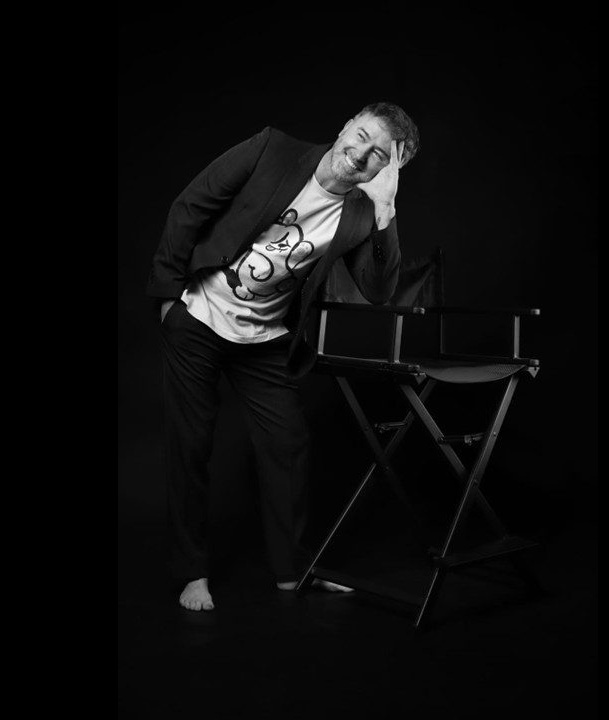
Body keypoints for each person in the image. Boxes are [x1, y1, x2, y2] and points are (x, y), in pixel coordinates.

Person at [148, 102, 420, 611]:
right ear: (346, 125)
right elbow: (191, 204)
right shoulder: (272, 148)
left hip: (266, 339)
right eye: (361, 135)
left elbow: (379, 290)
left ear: (386, 170)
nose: (360, 153)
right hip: (199, 317)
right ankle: (192, 573)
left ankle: (292, 570)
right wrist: (168, 297)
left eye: (379, 155)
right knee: (191, 445)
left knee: (288, 446)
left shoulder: (363, 212)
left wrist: (386, 212)